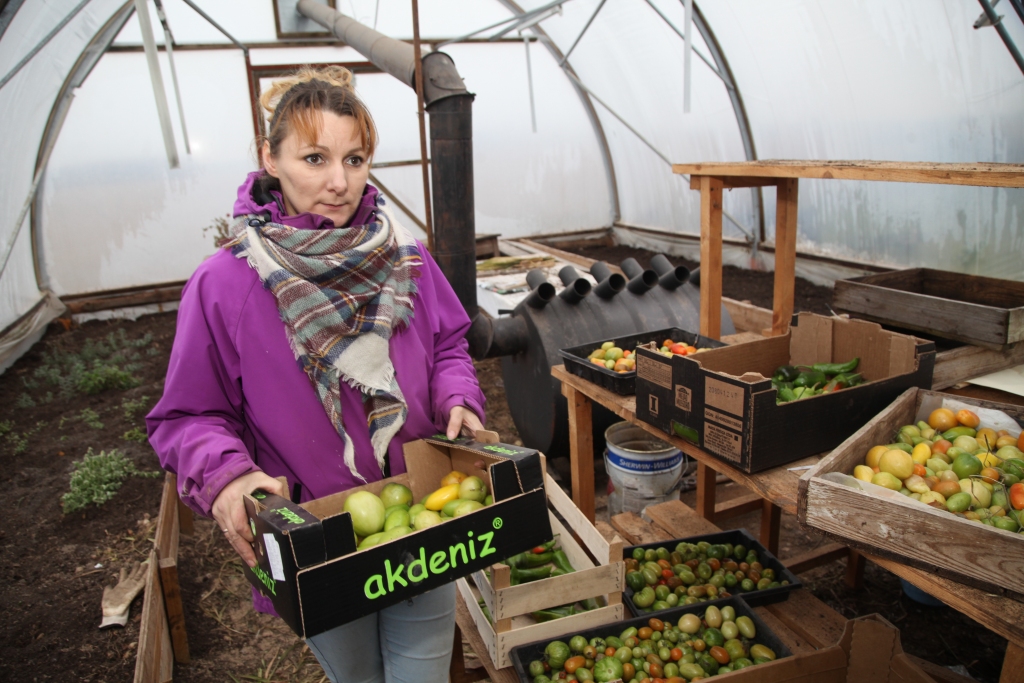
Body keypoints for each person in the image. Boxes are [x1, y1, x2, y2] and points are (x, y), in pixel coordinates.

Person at [146, 65, 485, 683]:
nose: (339, 182)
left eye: (355, 159)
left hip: (424, 517)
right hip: (318, 540)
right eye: (314, 158)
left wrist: (457, 393)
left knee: (423, 671)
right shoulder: (228, 284)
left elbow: (449, 345)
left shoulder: (405, 256)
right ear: (269, 158)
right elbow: (189, 415)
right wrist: (227, 479)